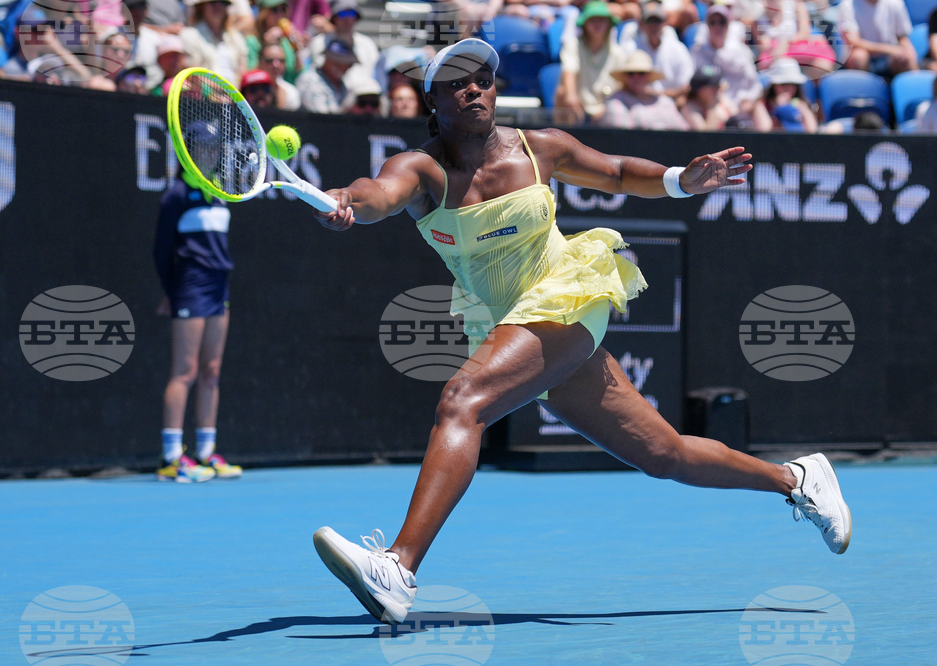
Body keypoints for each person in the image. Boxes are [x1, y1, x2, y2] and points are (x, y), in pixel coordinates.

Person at [310, 38, 852, 625]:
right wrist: (345, 201)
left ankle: (399, 567)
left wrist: (679, 179)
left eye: (484, 78)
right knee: (663, 454)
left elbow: (618, 172)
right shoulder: (420, 169)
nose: (475, 89)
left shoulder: (540, 147)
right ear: (432, 100)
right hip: (510, 319)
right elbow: (377, 195)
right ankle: (797, 479)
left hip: (566, 295)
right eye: (457, 82)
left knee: (462, 402)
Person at [153, 124, 244, 483]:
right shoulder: (175, 195)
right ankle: (171, 457)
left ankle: (206, 452)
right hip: (190, 286)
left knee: (211, 371)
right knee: (185, 371)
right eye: (200, 148)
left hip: (219, 287)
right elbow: (161, 250)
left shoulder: (220, 192)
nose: (207, 154)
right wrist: (170, 290)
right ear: (186, 151)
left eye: (212, 148)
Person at [692, 3, 772, 130]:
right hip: (713, 103)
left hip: (742, 104)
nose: (717, 26)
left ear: (728, 25)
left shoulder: (741, 51)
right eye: (713, 22)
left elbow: (754, 85)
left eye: (722, 22)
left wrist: (748, 102)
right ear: (707, 26)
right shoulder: (698, 52)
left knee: (762, 116)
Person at [554, 1, 627, 124]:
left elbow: (621, 85)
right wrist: (571, 96)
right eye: (593, 20)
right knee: (562, 93)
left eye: (601, 20)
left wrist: (606, 108)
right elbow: (569, 71)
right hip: (577, 107)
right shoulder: (573, 45)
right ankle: (565, 136)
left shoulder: (617, 53)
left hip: (606, 109)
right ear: (585, 24)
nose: (597, 24)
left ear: (609, 24)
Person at [618, 0, 694, 100]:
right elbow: (624, 83)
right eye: (649, 21)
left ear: (665, 22)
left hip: (671, 103)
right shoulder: (629, 48)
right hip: (635, 101)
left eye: (657, 20)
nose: (653, 26)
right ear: (641, 24)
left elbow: (686, 87)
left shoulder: (677, 48)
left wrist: (655, 94)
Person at [601, 49, 690, 129]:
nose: (636, 77)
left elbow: (682, 132)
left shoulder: (663, 101)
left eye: (641, 73)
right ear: (625, 76)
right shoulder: (617, 100)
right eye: (631, 73)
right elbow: (622, 134)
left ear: (648, 76)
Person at [309, 0, 379, 87]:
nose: (347, 18)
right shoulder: (319, 43)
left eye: (352, 13)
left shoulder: (368, 44)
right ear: (334, 17)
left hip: (361, 96)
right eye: (342, 14)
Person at [755, 0, 836, 75]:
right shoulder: (757, 16)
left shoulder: (797, 5)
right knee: (784, 65)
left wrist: (786, 42)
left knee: (823, 66)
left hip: (799, 48)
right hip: (777, 57)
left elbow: (804, 33)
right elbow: (763, 46)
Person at [837, 0, 916, 77]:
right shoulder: (848, 6)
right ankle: (860, 88)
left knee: (906, 55)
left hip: (890, 58)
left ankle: (911, 85)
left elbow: (903, 38)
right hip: (866, 57)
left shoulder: (895, 3)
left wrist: (908, 54)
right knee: (859, 57)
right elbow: (853, 42)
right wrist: (889, 49)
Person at [180, 0, 249, 86]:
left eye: (222, 2)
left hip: (235, 94)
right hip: (205, 96)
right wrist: (221, 91)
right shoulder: (189, 35)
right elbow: (193, 73)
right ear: (202, 7)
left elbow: (242, 69)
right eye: (213, 2)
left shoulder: (235, 37)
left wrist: (236, 93)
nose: (218, 6)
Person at [295, 36, 356, 113]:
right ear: (328, 60)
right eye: (339, 63)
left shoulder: (344, 84)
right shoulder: (310, 79)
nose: (345, 68)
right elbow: (321, 117)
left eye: (348, 64)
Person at [760, 57, 818, 132]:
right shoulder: (763, 105)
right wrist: (778, 109)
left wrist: (804, 111)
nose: (789, 88)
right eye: (784, 84)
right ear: (774, 85)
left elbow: (812, 130)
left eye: (793, 84)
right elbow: (764, 131)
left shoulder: (801, 104)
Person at [681, 64, 738, 129]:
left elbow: (738, 120)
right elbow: (706, 137)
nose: (718, 87)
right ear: (701, 91)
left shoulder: (723, 100)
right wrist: (713, 107)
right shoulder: (690, 109)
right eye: (714, 85)